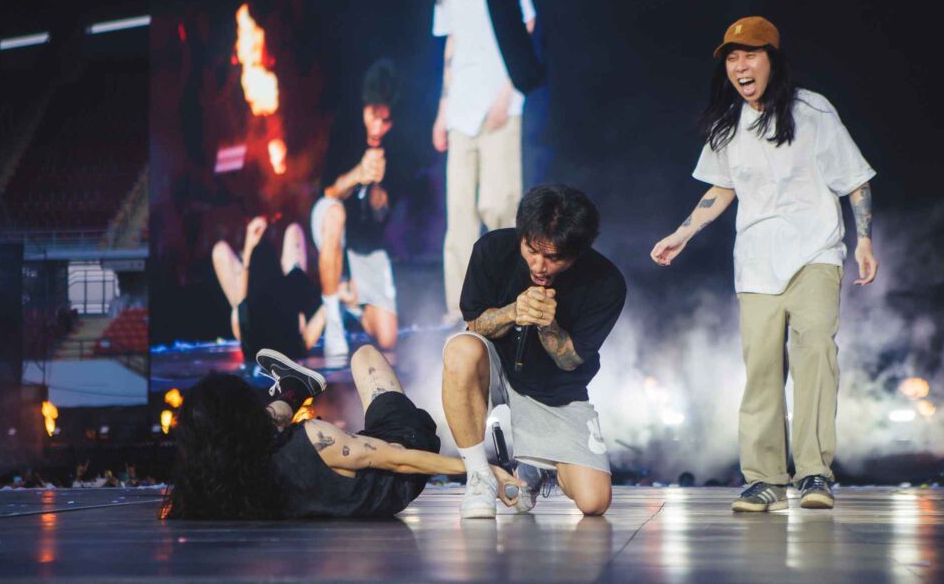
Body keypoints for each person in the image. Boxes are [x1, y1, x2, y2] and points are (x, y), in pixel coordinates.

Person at [650, 16, 878, 512]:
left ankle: (814, 473)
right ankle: (765, 479)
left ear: (772, 59)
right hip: (755, 264)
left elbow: (854, 179)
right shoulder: (728, 124)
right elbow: (721, 188)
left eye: (750, 55)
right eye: (732, 58)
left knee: (815, 355)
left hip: (815, 253)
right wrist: (683, 232)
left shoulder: (813, 111)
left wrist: (864, 240)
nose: (740, 66)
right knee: (762, 371)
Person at [162, 345, 521, 519]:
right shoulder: (314, 439)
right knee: (364, 356)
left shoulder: (231, 481)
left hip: (346, 483)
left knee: (260, 432)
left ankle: (294, 388)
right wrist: (480, 469)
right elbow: (399, 460)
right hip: (396, 464)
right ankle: (293, 388)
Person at [441, 184, 626, 518]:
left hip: (554, 389)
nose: (539, 266)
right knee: (460, 350)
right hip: (496, 367)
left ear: (577, 253)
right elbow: (474, 325)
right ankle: (479, 478)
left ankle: (533, 466)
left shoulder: (606, 283)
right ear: (522, 236)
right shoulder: (492, 249)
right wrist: (513, 312)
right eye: (532, 251)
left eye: (554, 258)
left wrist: (548, 324)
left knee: (594, 502)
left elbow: (570, 360)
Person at [431, 0, 537, 324]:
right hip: (461, 113)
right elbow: (451, 45)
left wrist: (509, 90)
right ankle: (461, 313)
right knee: (459, 217)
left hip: (500, 108)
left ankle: (509, 306)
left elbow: (526, 26)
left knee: (500, 208)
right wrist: (442, 110)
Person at [311, 59, 402, 364]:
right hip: (330, 224)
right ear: (365, 107)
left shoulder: (396, 146)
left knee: (387, 337)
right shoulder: (345, 129)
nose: (378, 127)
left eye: (386, 121)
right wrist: (358, 174)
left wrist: (378, 193)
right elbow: (328, 191)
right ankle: (334, 323)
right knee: (335, 213)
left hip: (364, 244)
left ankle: (349, 300)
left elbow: (383, 213)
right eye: (374, 117)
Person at [212, 215, 326, 363]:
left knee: (220, 251)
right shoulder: (292, 329)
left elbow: (242, 304)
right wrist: (332, 299)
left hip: (257, 311)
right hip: (279, 307)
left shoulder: (243, 321)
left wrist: (249, 247)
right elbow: (307, 337)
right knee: (294, 231)